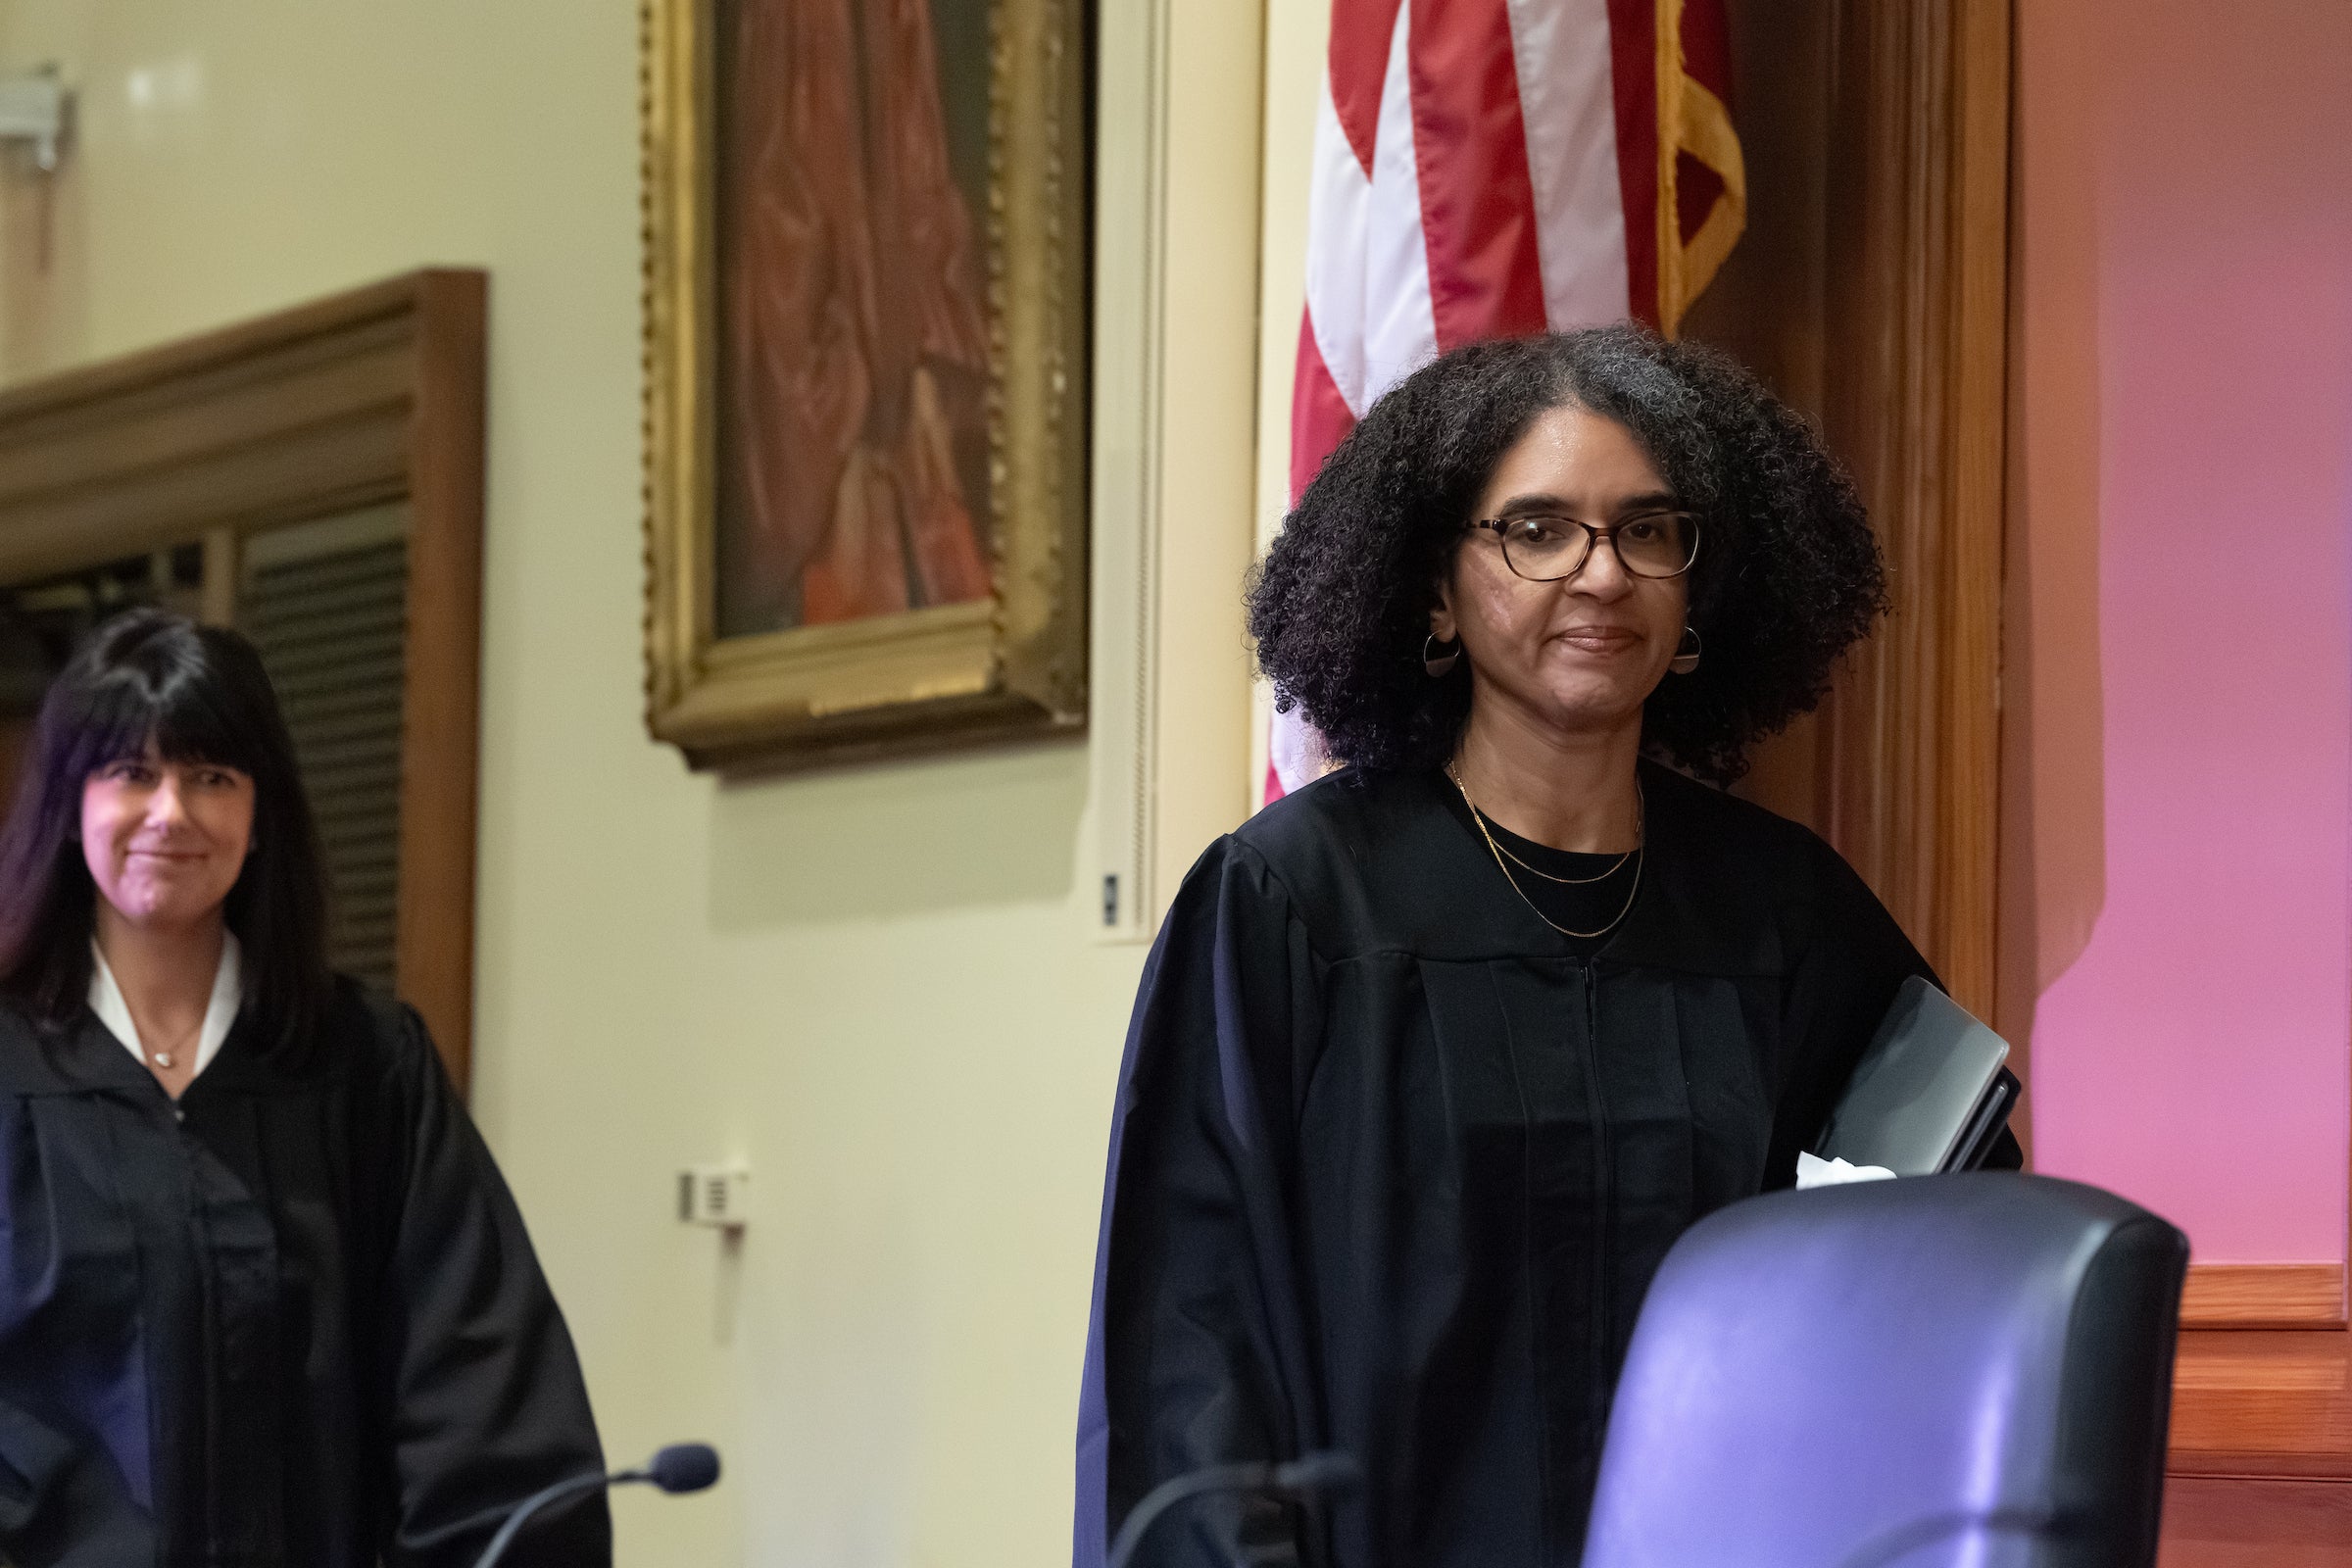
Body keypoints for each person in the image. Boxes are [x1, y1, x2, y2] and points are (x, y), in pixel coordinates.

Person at [1075, 324, 2021, 1568]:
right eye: (1536, 529)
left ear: (1695, 591)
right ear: (1434, 588)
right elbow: (1188, 1358)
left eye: (1648, 529)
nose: (1602, 573)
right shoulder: (1295, 906)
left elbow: (1937, 1251)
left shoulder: (1784, 917)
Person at [0, 611, 608, 1567]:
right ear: (69, 806)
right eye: (130, 772)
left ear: (259, 814)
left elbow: (477, 1403)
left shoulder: (363, 1069)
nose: (172, 812)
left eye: (211, 776)